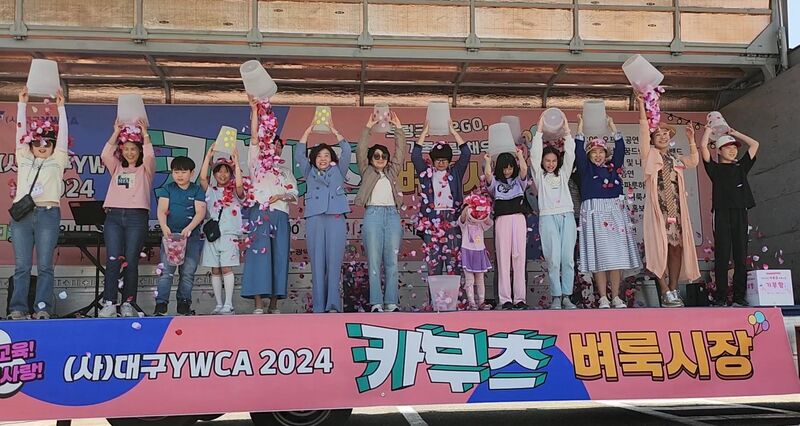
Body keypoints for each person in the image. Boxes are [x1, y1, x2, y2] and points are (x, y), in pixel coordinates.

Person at [8, 87, 69, 320]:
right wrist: (22, 104)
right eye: (37, 143)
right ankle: (18, 308)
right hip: (23, 216)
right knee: (22, 266)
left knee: (45, 266)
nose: (42, 146)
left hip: (48, 214)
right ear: (31, 144)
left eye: (47, 143)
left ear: (53, 145)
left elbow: (63, 137)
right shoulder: (24, 157)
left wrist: (61, 108)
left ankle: (42, 308)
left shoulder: (58, 159)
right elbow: (19, 131)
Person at [637, 95, 701, 307]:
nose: (663, 137)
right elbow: (643, 132)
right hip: (658, 211)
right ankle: (664, 289)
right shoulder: (649, 156)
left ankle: (673, 289)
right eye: (658, 134)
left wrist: (691, 139)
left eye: (666, 134)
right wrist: (641, 106)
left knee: (676, 248)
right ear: (652, 139)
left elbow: (694, 161)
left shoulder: (675, 159)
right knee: (659, 249)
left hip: (676, 211)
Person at [574, 115, 642, 309]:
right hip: (594, 211)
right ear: (588, 155)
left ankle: (616, 296)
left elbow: (621, 150)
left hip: (614, 211)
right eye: (593, 152)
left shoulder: (613, 169)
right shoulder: (585, 170)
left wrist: (613, 127)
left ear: (606, 154)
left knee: (616, 256)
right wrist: (580, 128)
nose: (598, 155)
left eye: (601, 152)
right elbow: (578, 152)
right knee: (599, 256)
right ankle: (603, 297)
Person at [241, 97, 298, 314]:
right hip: (259, 213)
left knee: (279, 258)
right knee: (259, 258)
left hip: (280, 215)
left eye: (279, 146)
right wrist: (255, 111)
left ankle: (274, 304)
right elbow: (254, 136)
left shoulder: (286, 172)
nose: (275, 148)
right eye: (272, 144)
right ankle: (258, 303)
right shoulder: (256, 162)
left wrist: (281, 195)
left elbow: (294, 194)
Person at [98, 118, 155, 318]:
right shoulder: (116, 167)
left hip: (136, 217)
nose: (130, 152)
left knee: (130, 261)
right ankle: (109, 303)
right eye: (126, 149)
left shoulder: (145, 169)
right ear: (121, 150)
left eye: (134, 149)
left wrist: (145, 134)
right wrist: (116, 132)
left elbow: (150, 155)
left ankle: (128, 303)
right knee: (113, 259)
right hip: (114, 216)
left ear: (139, 151)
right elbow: (105, 154)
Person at [700, 125, 760, 307]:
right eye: (727, 147)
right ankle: (721, 297)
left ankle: (739, 297)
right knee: (722, 255)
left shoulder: (741, 166)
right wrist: (708, 131)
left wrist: (735, 133)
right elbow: (703, 148)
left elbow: (755, 144)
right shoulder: (715, 169)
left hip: (740, 211)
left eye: (734, 148)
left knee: (741, 255)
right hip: (721, 213)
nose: (732, 150)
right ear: (719, 151)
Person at [297, 118, 351, 313]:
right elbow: (299, 153)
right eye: (319, 155)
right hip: (315, 218)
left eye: (327, 155)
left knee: (334, 262)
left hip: (336, 217)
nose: (323, 159)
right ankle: (319, 306)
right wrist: (308, 130)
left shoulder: (339, 170)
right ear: (314, 158)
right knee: (318, 263)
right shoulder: (308, 171)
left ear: (332, 158)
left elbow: (347, 151)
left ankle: (333, 305)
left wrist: (334, 131)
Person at [355, 111, 405, 313]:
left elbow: (400, 153)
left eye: (384, 156)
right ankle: (376, 302)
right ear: (370, 159)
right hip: (373, 215)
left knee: (392, 261)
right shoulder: (367, 171)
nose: (381, 159)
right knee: (374, 261)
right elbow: (360, 149)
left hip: (392, 215)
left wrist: (398, 129)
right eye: (376, 156)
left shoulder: (392, 172)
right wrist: (368, 127)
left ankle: (391, 302)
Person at [530, 113, 578, 310]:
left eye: (553, 161)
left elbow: (571, 155)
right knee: (554, 259)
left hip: (567, 216)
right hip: (548, 217)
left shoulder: (564, 174)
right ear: (542, 162)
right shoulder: (539, 176)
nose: (550, 164)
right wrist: (540, 130)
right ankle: (556, 297)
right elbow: (534, 156)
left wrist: (566, 132)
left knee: (568, 259)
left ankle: (567, 296)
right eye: (547, 160)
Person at [411, 121, 470, 276]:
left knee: (453, 264)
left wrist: (453, 132)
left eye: (444, 159)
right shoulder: (426, 174)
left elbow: (466, 153)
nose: (441, 162)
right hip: (432, 219)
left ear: (449, 160)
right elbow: (415, 156)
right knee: (433, 264)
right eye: (438, 159)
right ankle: (434, 293)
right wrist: (424, 133)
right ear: (433, 160)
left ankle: (455, 292)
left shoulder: (455, 173)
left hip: (452, 219)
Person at [153, 156, 207, 316]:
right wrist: (164, 227)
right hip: (171, 238)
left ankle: (184, 304)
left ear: (192, 173)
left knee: (188, 272)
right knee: (166, 273)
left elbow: (200, 212)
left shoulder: (196, 190)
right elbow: (162, 210)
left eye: (183, 172)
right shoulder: (168, 189)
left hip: (191, 238)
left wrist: (189, 228)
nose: (180, 175)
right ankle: (161, 305)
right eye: (176, 172)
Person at [198, 144, 245, 315]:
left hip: (229, 235)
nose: (222, 174)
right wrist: (208, 156)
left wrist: (236, 163)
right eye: (219, 171)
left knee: (226, 268)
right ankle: (218, 304)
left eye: (226, 171)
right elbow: (202, 179)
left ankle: (228, 304)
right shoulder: (211, 191)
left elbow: (239, 186)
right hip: (212, 235)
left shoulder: (235, 192)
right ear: (214, 173)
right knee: (215, 269)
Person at [484, 149, 530, 310]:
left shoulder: (519, 181)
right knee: (503, 259)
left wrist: (519, 155)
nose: (507, 171)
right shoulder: (495, 183)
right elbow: (488, 175)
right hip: (502, 220)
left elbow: (524, 169)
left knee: (519, 258)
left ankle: (520, 298)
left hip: (519, 218)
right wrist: (487, 161)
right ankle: (505, 299)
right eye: (504, 168)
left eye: (510, 168)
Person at [458, 194, 493, 310]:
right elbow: (462, 218)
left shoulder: (480, 222)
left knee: (480, 279)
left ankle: (481, 302)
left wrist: (484, 209)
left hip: (479, 251)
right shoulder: (464, 224)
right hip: (467, 251)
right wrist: (469, 206)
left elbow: (489, 222)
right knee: (470, 280)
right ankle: (471, 302)